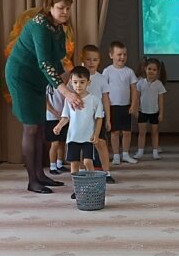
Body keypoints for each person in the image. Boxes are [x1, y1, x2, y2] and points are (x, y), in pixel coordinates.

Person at [4, 0, 81, 194]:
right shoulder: (39, 25)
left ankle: (40, 175)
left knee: (39, 127)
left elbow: (57, 61)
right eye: (61, 8)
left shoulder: (58, 28)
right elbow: (45, 63)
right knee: (31, 128)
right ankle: (33, 181)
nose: (65, 12)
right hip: (21, 78)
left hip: (37, 80)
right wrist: (66, 93)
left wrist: (75, 80)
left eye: (68, 8)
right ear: (49, 7)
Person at [54, 66, 105, 199]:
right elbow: (65, 117)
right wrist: (59, 126)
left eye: (82, 82)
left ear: (88, 82)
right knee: (74, 163)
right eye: (75, 82)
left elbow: (99, 118)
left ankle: (93, 186)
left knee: (88, 162)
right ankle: (76, 189)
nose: (78, 85)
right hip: (73, 138)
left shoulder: (94, 99)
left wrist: (96, 134)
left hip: (88, 138)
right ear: (70, 82)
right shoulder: (69, 100)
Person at [80, 45, 116, 184]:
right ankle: (83, 171)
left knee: (101, 143)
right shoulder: (77, 77)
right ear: (82, 59)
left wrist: (108, 119)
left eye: (95, 60)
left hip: (98, 117)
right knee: (82, 145)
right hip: (82, 118)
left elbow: (105, 99)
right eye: (88, 59)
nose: (91, 62)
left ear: (99, 61)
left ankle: (106, 173)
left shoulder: (101, 78)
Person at [103, 42, 139, 166]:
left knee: (127, 132)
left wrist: (133, 105)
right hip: (112, 107)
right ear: (111, 55)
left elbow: (134, 90)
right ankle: (116, 156)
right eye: (119, 54)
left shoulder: (129, 72)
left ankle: (125, 154)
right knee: (114, 132)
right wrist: (106, 104)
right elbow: (104, 90)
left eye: (124, 54)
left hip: (126, 106)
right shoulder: (107, 71)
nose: (122, 57)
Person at [134, 58, 168, 160]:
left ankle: (155, 152)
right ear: (145, 69)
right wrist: (135, 109)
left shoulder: (159, 84)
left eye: (154, 70)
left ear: (157, 71)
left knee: (155, 132)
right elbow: (136, 98)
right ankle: (140, 151)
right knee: (142, 132)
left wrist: (161, 113)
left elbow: (161, 100)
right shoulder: (140, 83)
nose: (151, 71)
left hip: (154, 112)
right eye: (149, 69)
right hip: (142, 111)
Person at [45, 84, 66, 175]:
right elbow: (46, 104)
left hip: (63, 117)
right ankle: (52, 166)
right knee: (55, 143)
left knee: (62, 142)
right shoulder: (47, 86)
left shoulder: (63, 85)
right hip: (51, 118)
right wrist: (56, 114)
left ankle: (59, 164)